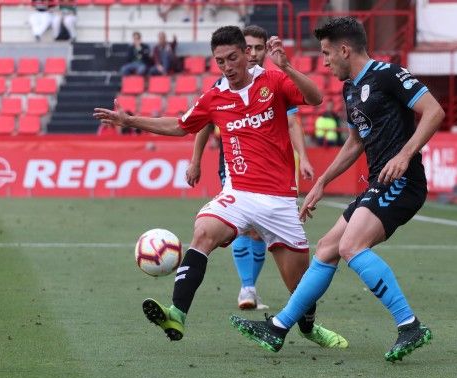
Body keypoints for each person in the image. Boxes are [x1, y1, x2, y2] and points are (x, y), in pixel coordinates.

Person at [94, 26, 348, 349]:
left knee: (299, 285)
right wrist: (132, 121)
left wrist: (285, 66)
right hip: (238, 193)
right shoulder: (215, 97)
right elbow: (180, 125)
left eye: (232, 58)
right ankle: (176, 314)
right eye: (220, 61)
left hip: (279, 201)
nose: (227, 67)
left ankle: (309, 328)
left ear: (246, 53)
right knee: (202, 232)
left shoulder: (272, 81)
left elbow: (315, 98)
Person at [229, 17, 445, 362]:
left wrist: (405, 154)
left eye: (327, 53)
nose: (325, 61)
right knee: (328, 247)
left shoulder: (389, 75)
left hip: (402, 182)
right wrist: (322, 182)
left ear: (345, 50)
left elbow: (434, 111)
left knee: (350, 245)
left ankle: (410, 326)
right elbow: (355, 142)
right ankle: (279, 327)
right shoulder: (350, 89)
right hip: (379, 182)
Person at [186, 25, 315, 311]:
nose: (254, 53)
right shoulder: (219, 89)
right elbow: (203, 123)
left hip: (274, 169)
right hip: (235, 165)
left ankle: (255, 289)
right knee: (243, 227)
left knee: (258, 231)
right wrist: (195, 160)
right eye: (250, 48)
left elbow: (293, 120)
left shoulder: (273, 83)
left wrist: (302, 156)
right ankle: (247, 287)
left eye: (259, 48)